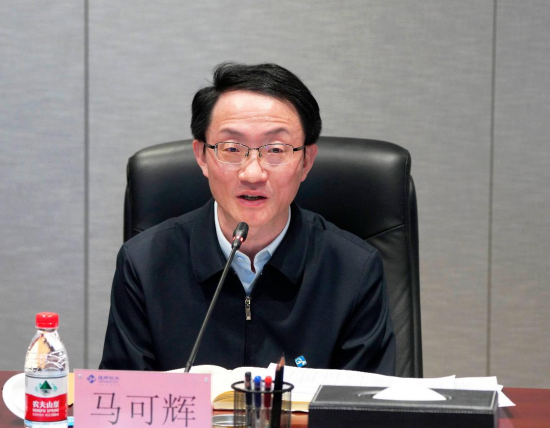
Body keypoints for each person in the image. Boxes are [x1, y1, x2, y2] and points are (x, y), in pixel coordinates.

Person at [100, 63, 395, 374]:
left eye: (276, 149)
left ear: (306, 161)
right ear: (201, 156)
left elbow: (366, 401)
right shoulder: (145, 264)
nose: (252, 173)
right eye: (232, 148)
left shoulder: (353, 269)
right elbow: (121, 395)